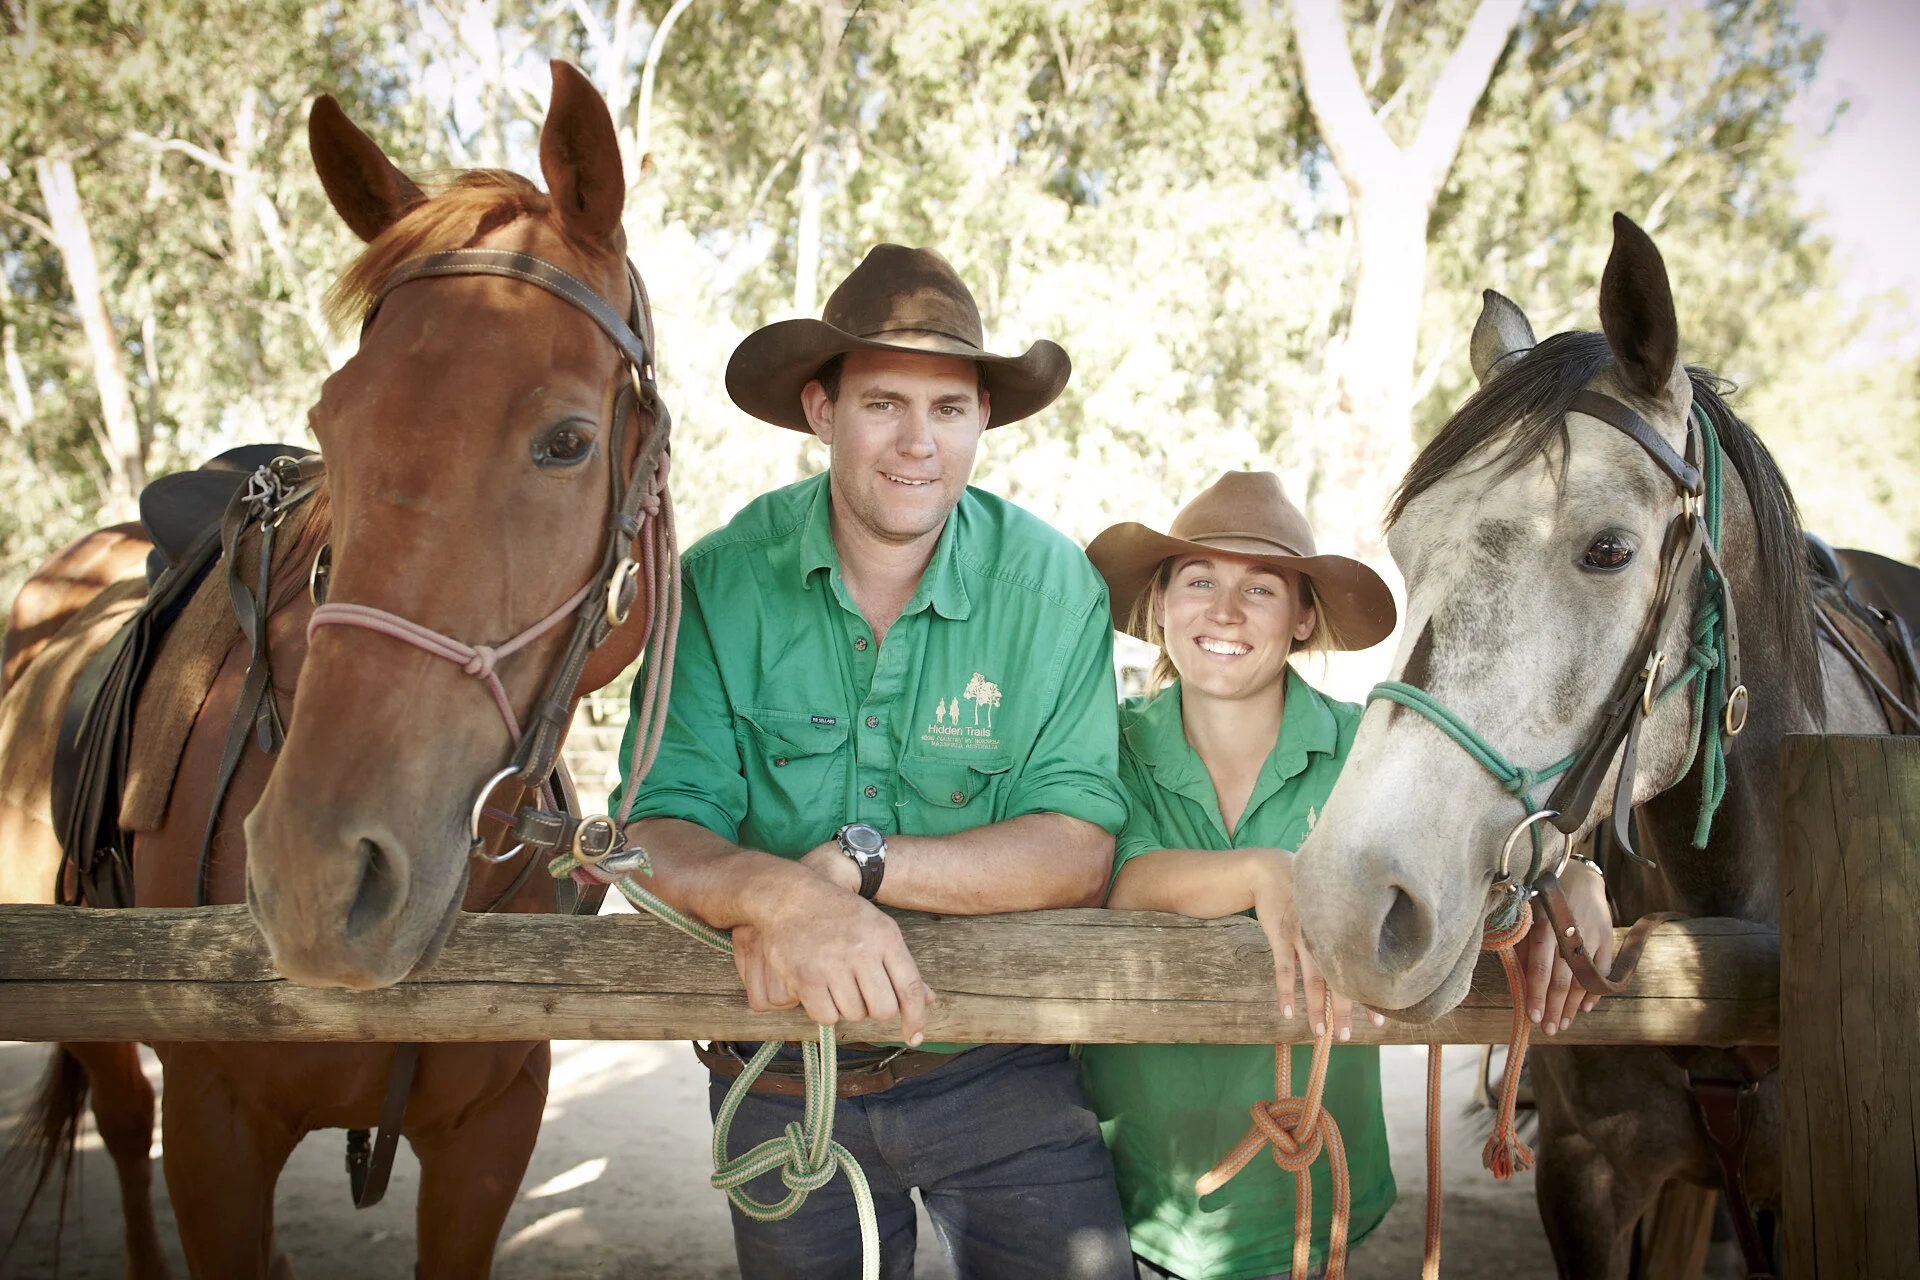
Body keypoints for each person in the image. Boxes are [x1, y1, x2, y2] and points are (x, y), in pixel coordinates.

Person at [613, 244, 1134, 1279]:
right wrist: (776, 895)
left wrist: (854, 865)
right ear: (821, 411)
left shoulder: (1052, 586)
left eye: (948, 408)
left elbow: (1076, 847)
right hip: (779, 1079)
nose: (916, 442)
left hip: (1003, 1064)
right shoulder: (719, 585)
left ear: (983, 419)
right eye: (883, 403)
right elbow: (649, 830)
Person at [1078, 470, 1614, 1278]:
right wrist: (1262, 871)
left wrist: (1573, 874)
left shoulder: (1375, 747)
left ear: (1302, 619)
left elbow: (1490, 842)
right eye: (1199, 581)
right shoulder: (1106, 744)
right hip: (1139, 1188)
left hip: (1313, 1194)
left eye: (1259, 589)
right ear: (1160, 609)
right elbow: (1110, 875)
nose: (1224, 612)